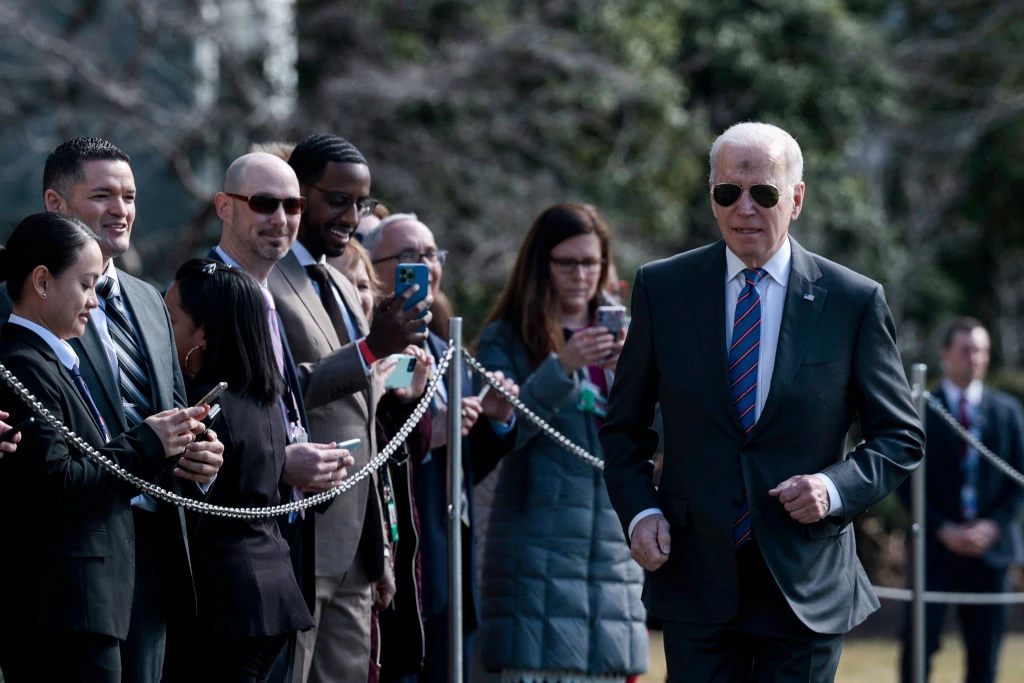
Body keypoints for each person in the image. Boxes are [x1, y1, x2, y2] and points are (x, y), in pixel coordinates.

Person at [600, 121, 926, 683]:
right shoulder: (662, 288)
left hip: (806, 579)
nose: (744, 208)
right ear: (712, 199)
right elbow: (623, 429)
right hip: (697, 576)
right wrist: (641, 512)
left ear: (795, 199)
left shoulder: (852, 300)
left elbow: (901, 436)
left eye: (764, 193)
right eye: (729, 192)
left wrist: (832, 487)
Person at [0, 136, 225, 683]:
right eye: (102, 195)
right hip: (62, 562)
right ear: (55, 204)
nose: (121, 210)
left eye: (129, 195)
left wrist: (197, 454)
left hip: (151, 553)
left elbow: (171, 411)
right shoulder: (20, 305)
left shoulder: (151, 299)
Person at [207, 150, 372, 683]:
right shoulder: (204, 290)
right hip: (233, 555)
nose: (279, 218)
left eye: (292, 205)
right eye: (263, 204)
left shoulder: (268, 294)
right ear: (224, 208)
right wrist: (282, 462)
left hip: (294, 534)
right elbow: (204, 416)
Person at [474, 202, 649, 682]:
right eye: (566, 262)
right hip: (535, 549)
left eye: (591, 262)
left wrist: (630, 377)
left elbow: (659, 439)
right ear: (540, 265)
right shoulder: (506, 338)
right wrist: (562, 367)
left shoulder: (628, 336)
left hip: (614, 547)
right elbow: (498, 436)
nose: (581, 275)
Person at [364, 212, 519, 683]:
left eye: (433, 255)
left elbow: (468, 464)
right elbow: (373, 435)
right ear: (370, 268)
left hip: (453, 558)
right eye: (409, 257)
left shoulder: (445, 346)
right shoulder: (370, 348)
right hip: (402, 559)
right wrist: (432, 430)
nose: (426, 267)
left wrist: (495, 417)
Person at [161, 259, 326, 682]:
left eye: (170, 316)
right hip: (271, 592)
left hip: (226, 606)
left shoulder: (206, 408)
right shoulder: (266, 398)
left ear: (203, 333)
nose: (161, 327)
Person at [898, 317, 1024, 683]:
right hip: (934, 549)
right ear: (945, 356)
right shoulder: (919, 409)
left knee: (985, 652)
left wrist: (993, 526)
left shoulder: (1008, 412)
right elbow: (904, 479)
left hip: (991, 550)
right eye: (967, 350)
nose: (976, 358)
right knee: (918, 645)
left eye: (982, 350)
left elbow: (1018, 481)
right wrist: (942, 528)